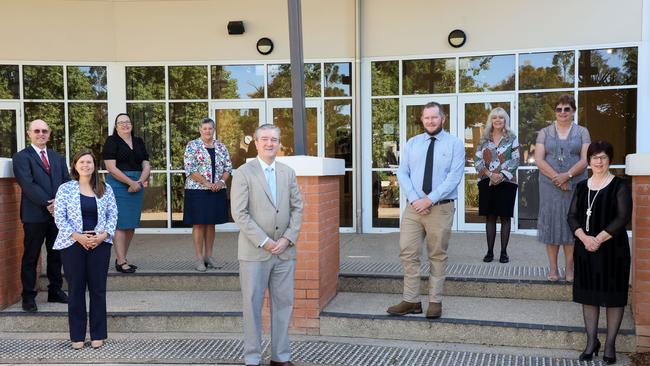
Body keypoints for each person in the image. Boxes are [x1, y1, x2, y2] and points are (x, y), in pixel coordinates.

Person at [230, 124, 303, 366]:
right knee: (252, 307)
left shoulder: (288, 172)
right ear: (257, 143)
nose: (270, 143)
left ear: (279, 142)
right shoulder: (243, 172)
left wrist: (287, 239)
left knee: (283, 305)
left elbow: (297, 208)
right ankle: (252, 358)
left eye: (274, 139)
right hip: (254, 252)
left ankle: (280, 357)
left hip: (285, 252)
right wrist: (265, 241)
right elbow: (239, 213)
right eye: (265, 139)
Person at [386, 102, 464, 319]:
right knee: (408, 252)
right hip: (413, 208)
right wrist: (415, 199)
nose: (430, 121)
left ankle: (434, 301)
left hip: (440, 208)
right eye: (426, 117)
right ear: (422, 119)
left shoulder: (455, 144)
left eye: (434, 117)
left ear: (443, 118)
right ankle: (411, 300)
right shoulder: (412, 143)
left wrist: (429, 200)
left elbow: (454, 177)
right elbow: (403, 172)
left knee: (437, 255)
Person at [567, 141, 631, 364]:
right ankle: (591, 342)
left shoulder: (620, 186)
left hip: (614, 250)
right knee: (589, 296)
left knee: (613, 299)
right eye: (595, 157)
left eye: (603, 157)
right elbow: (572, 216)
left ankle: (610, 345)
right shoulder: (581, 187)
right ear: (589, 160)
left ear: (609, 160)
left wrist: (598, 239)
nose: (599, 161)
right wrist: (585, 238)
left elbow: (622, 218)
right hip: (586, 249)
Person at [53, 149, 117, 350]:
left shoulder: (105, 189)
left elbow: (113, 215)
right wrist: (78, 236)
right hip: (73, 244)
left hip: (99, 243)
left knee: (98, 290)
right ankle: (77, 336)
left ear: (94, 166)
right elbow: (59, 217)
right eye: (81, 162)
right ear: (75, 165)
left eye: (89, 162)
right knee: (76, 290)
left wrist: (103, 236)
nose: (85, 165)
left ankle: (98, 334)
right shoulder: (65, 189)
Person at [12, 119, 70, 312]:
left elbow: (66, 183)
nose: (41, 134)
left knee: (56, 254)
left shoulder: (58, 158)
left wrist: (58, 204)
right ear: (29, 133)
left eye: (44, 131)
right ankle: (28, 296)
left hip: (57, 215)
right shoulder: (21, 157)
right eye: (36, 130)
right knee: (31, 255)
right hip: (34, 214)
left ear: (49, 133)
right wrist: (48, 203)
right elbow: (27, 185)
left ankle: (55, 290)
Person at [534, 94, 590, 282]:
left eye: (567, 109)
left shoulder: (582, 132)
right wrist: (558, 178)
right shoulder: (544, 132)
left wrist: (568, 175)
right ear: (555, 112)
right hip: (549, 186)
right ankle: (552, 269)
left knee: (571, 225)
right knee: (551, 225)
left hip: (575, 184)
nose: (563, 112)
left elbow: (585, 159)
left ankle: (569, 269)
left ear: (573, 110)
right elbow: (539, 160)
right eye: (559, 109)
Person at [102, 113, 150, 273]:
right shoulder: (111, 141)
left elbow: (146, 164)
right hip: (118, 184)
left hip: (137, 182)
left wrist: (139, 182)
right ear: (116, 126)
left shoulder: (138, 141)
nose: (125, 125)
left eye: (127, 122)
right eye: (121, 123)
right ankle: (122, 261)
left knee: (131, 224)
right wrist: (130, 183)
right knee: (120, 223)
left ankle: (121, 257)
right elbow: (111, 168)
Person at [183, 117, 232, 271]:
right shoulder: (192, 146)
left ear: (214, 129)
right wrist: (206, 183)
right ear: (200, 130)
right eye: (204, 128)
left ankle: (209, 257)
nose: (207, 131)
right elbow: (190, 169)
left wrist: (221, 182)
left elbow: (228, 168)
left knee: (211, 224)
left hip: (216, 190)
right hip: (196, 190)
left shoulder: (221, 147)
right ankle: (199, 259)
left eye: (210, 128)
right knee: (198, 224)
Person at [474, 107, 519, 263]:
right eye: (494, 117)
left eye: (501, 117)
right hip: (487, 182)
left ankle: (504, 253)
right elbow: (477, 161)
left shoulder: (512, 138)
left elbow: (516, 159)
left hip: (507, 181)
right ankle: (489, 252)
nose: (498, 120)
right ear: (491, 121)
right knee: (490, 217)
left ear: (505, 120)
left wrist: (500, 175)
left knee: (505, 217)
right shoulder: (483, 139)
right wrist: (490, 175)